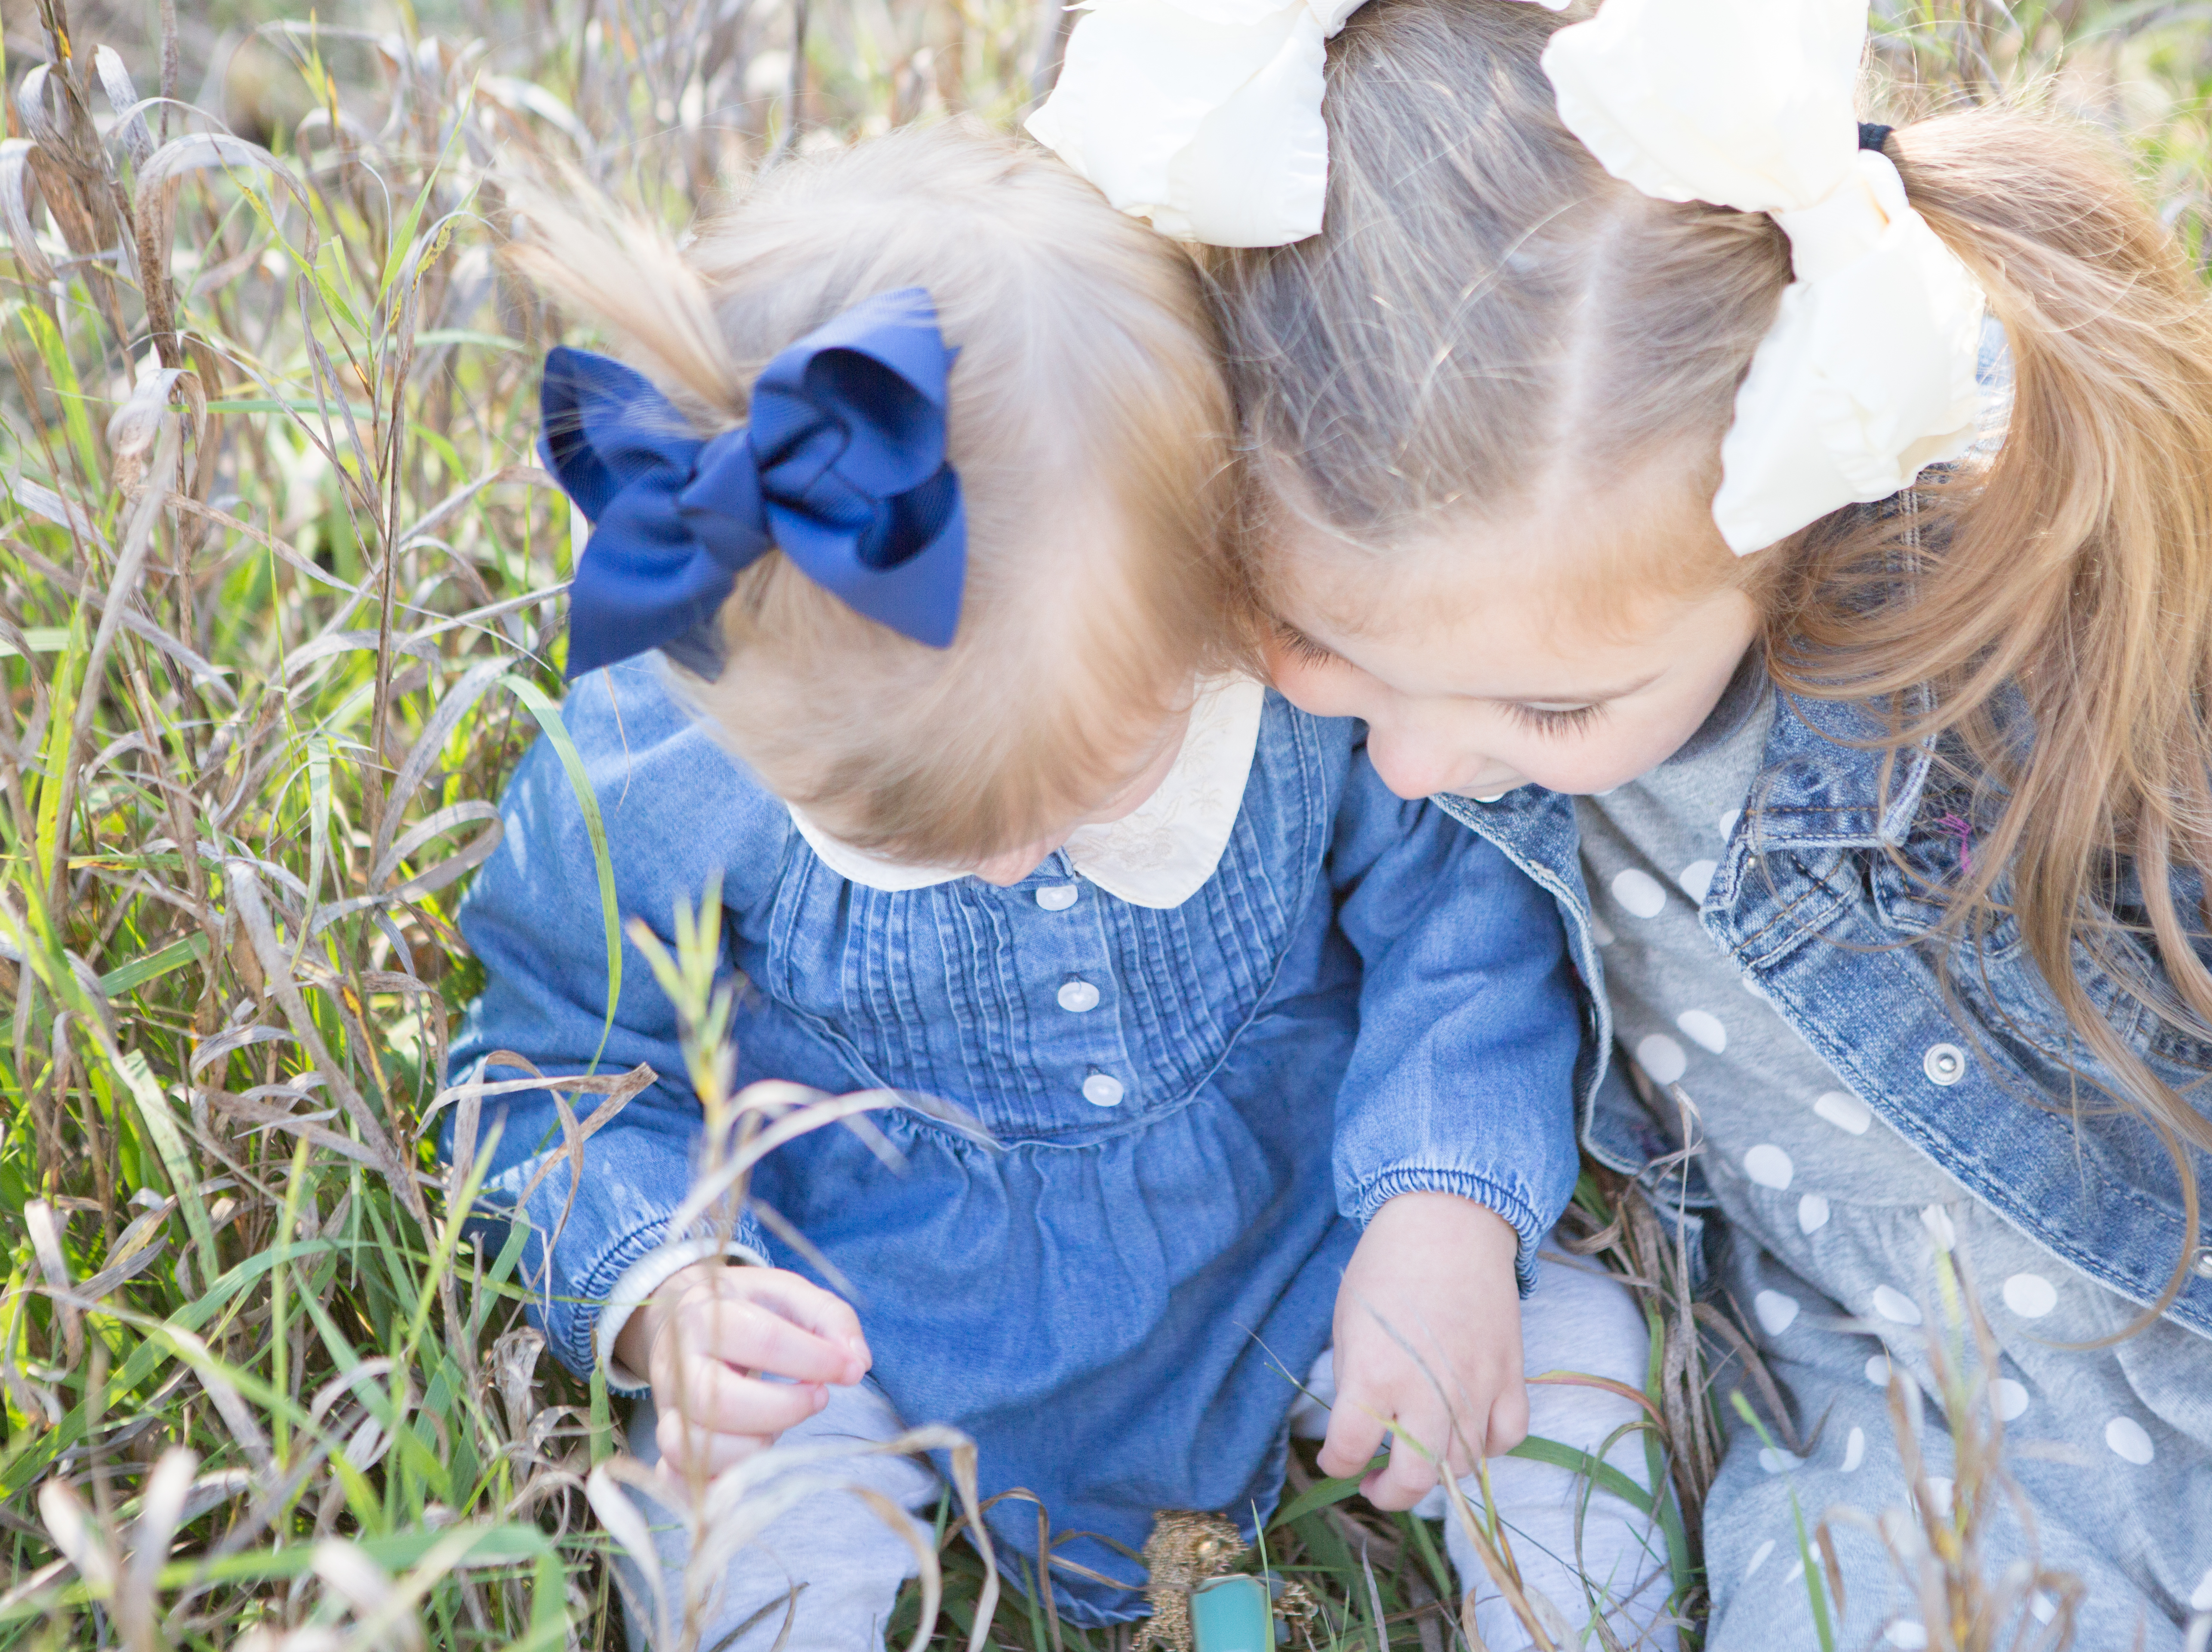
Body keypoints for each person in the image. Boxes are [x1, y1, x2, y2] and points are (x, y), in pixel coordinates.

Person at [1096, 0, 2212, 1643]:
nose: (1412, 769)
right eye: (1327, 660)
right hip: (1910, 1434)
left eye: (1549, 714)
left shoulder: (2001, 572)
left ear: (1781, 500)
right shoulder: (1467, 629)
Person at [450, 123, 1672, 1652]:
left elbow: (1459, 927)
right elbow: (542, 1066)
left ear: (1220, 603)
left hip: (1296, 1234)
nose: (1019, 863)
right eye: (907, 833)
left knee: (1569, 1352)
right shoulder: (673, 753)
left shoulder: (1296, 693)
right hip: (864, 1309)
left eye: (1095, 790)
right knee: (739, 1498)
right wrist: (668, 1289)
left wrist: (1441, 1211)